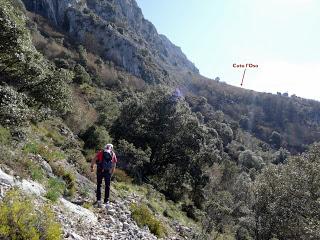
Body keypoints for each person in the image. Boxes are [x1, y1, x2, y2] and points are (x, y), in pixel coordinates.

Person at [91, 143, 117, 208]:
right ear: (111, 148)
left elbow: (94, 159)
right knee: (107, 186)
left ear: (105, 147)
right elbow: (114, 165)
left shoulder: (101, 152)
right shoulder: (113, 154)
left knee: (99, 185)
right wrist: (111, 173)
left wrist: (92, 167)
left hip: (100, 170)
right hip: (108, 172)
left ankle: (98, 200)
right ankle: (106, 200)